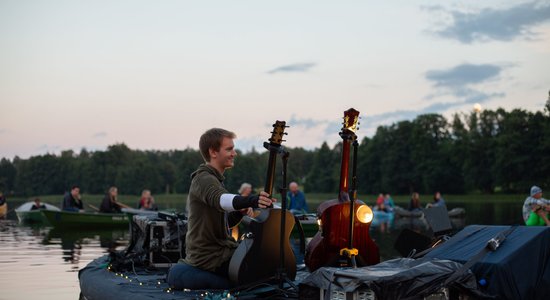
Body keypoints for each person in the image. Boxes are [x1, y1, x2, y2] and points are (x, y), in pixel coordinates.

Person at [168, 128, 275, 289]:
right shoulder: (203, 179)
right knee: (266, 271)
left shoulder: (214, 179)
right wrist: (252, 200)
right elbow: (221, 200)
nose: (234, 153)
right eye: (229, 149)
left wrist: (238, 213)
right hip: (210, 257)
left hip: (220, 251)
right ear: (213, 152)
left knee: (266, 262)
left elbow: (222, 223)